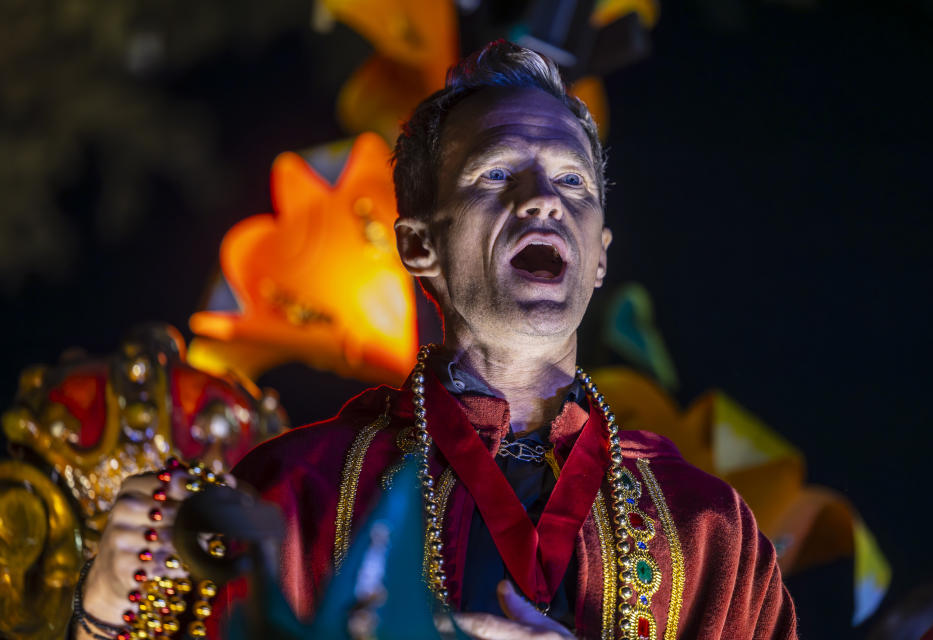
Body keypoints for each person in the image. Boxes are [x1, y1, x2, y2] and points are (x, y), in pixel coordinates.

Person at [74, 41, 798, 639]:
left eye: (573, 181)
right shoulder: (296, 496)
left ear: (600, 254)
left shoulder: (708, 536)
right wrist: (104, 616)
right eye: (497, 173)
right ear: (420, 245)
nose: (542, 197)